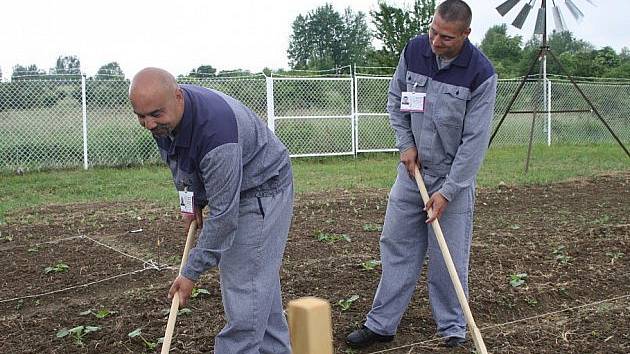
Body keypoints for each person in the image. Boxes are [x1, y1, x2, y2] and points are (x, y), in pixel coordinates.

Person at [346, 0, 497, 349]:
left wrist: (448, 192)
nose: (435, 42)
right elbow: (395, 98)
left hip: (451, 179)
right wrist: (405, 145)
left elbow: (474, 143)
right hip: (412, 173)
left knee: (448, 257)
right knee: (396, 245)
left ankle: (453, 328)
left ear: (465, 35)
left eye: (445, 37)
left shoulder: (481, 74)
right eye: (432, 31)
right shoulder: (415, 50)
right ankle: (381, 325)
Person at [129, 68, 294, 353]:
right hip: (236, 182)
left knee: (246, 292)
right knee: (257, 289)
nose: (148, 125)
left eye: (155, 115)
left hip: (261, 188)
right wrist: (189, 203)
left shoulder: (217, 135)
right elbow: (177, 162)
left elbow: (224, 218)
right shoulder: (165, 120)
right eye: (140, 116)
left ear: (177, 97)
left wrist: (190, 273)